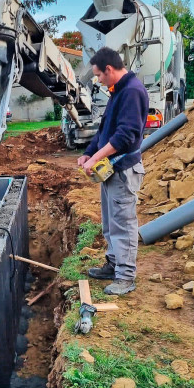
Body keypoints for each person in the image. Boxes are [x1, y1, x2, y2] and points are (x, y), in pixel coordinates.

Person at [78, 47, 149, 295]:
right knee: (110, 222)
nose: (98, 80)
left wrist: (96, 157)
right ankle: (113, 264)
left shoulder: (131, 91)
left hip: (124, 169)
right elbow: (104, 131)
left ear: (109, 69)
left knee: (123, 224)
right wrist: (89, 152)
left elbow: (125, 135)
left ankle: (125, 276)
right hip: (111, 170)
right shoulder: (117, 91)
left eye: (98, 75)